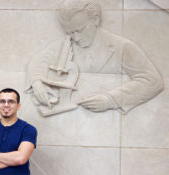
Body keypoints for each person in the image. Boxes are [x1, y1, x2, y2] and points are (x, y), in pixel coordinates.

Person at [25, 0, 163, 114]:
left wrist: (111, 100)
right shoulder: (66, 42)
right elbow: (38, 60)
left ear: (95, 19)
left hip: (109, 129)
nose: (76, 38)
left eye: (79, 30)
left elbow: (152, 81)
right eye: (70, 32)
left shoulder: (122, 47)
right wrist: (37, 84)